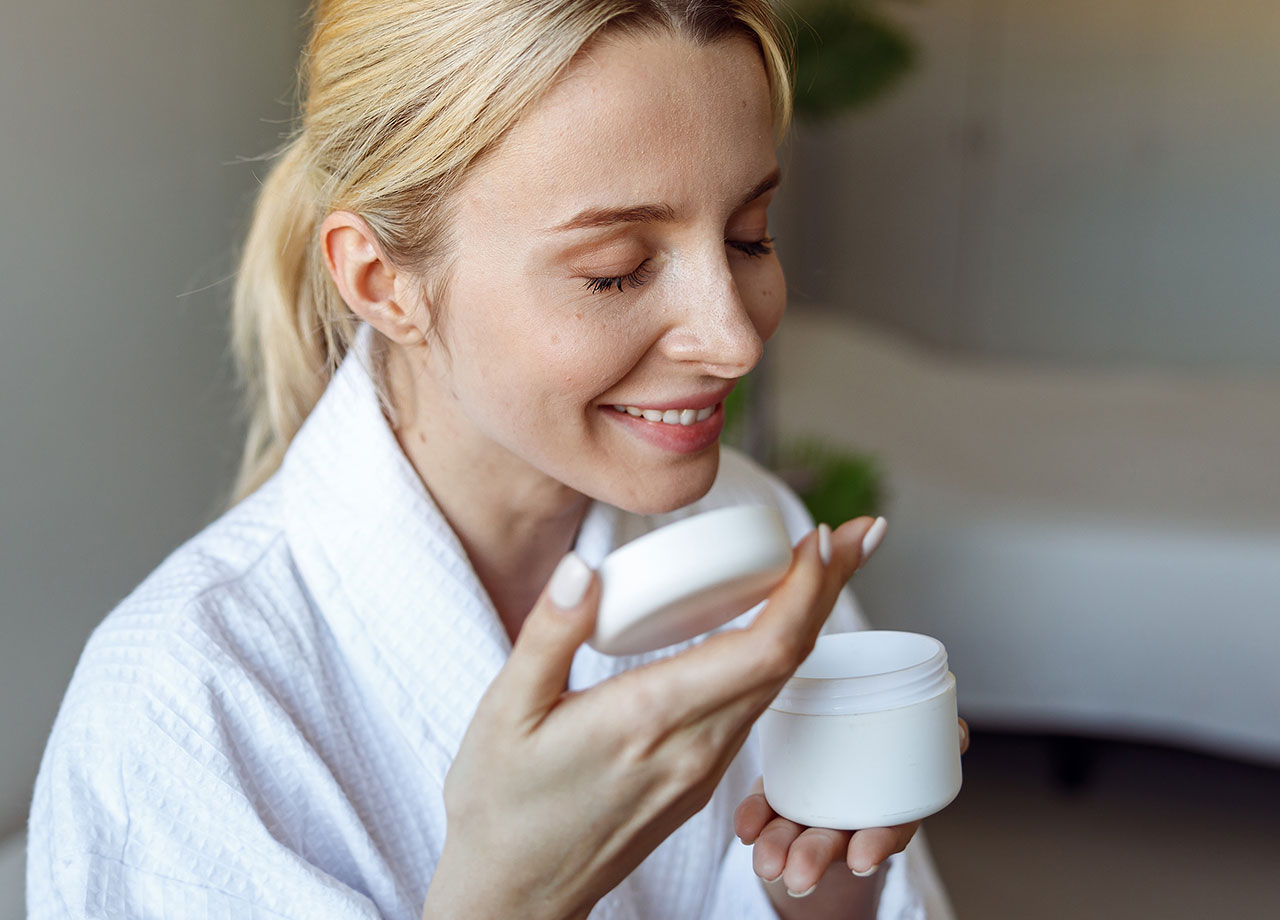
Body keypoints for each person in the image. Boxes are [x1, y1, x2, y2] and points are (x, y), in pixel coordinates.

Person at [28, 2, 963, 917]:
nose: (734, 340)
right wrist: (512, 897)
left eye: (749, 236)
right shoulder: (179, 708)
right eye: (617, 269)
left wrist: (822, 890)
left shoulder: (748, 535)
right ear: (383, 281)